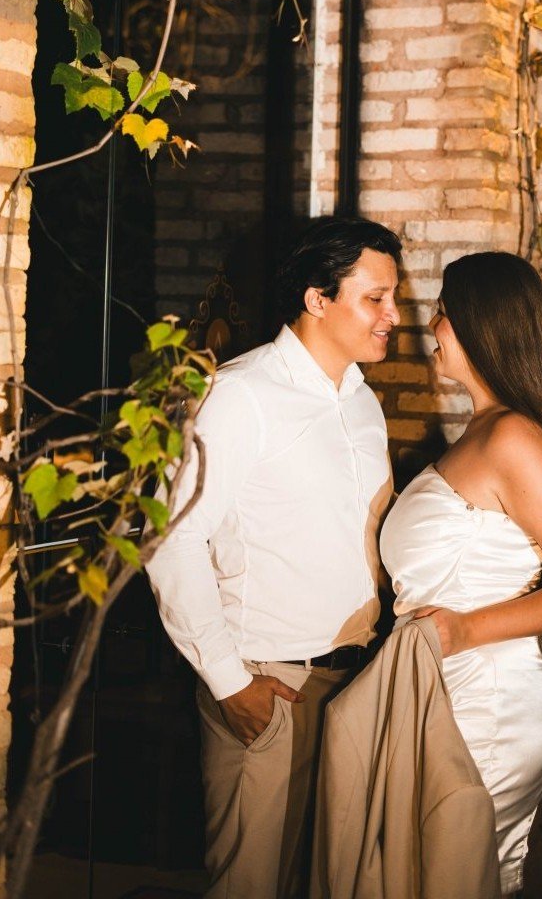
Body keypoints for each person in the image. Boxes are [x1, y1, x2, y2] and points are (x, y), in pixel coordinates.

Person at [145, 216, 401, 899]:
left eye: (394, 298)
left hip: (353, 684)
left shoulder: (364, 403)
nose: (393, 315)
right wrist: (230, 683)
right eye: (375, 298)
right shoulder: (240, 394)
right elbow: (172, 540)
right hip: (271, 687)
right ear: (318, 299)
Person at [379, 251, 542, 896]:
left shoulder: (512, 437)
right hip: (453, 684)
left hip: (489, 697)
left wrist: (463, 631)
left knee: (460, 870)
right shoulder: (482, 431)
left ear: (480, 325)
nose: (432, 327)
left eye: (442, 313)